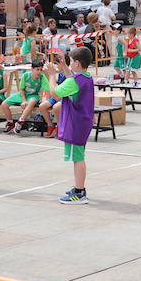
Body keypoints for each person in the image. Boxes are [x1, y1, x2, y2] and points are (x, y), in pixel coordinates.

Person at [48, 46, 95, 204]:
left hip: (76, 124)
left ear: (77, 63)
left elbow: (54, 93)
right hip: (83, 122)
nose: (70, 64)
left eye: (72, 62)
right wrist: (64, 69)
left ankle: (80, 192)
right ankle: (78, 188)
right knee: (78, 156)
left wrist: (52, 76)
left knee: (78, 158)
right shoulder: (86, 77)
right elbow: (72, 79)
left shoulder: (74, 82)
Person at [4, 58, 47, 135]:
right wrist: (24, 100)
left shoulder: (42, 77)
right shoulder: (25, 75)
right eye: (37, 69)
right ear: (32, 69)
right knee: (4, 104)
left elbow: (47, 89)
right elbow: (21, 89)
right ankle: (10, 123)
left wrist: (44, 99)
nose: (39, 72)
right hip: (22, 95)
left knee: (32, 101)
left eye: (41, 70)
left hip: (33, 95)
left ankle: (21, 121)